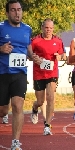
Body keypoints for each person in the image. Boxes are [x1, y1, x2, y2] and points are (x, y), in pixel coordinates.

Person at [0, 0, 33, 149]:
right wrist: (1, 48)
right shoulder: (0, 27)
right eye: (13, 10)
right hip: (3, 73)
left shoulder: (27, 29)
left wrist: (34, 57)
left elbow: (29, 50)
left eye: (19, 9)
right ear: (7, 13)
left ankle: (15, 142)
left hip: (20, 73)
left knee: (18, 105)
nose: (17, 13)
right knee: (3, 110)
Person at [31, 18, 64, 135]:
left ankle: (47, 125)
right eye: (46, 27)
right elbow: (29, 54)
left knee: (50, 97)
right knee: (40, 101)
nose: (48, 30)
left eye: (51, 28)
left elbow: (63, 54)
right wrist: (34, 58)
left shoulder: (58, 41)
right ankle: (35, 108)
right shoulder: (35, 41)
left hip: (52, 73)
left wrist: (60, 57)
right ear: (42, 28)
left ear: (53, 29)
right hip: (39, 73)